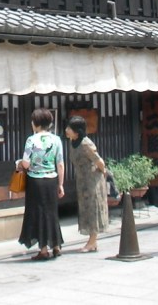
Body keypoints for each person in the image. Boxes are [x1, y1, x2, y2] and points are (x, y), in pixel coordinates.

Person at [17, 108, 65, 260]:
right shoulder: (56, 140)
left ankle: (43, 250)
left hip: (35, 181)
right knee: (51, 212)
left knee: (38, 213)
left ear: (35, 123)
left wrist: (19, 163)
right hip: (51, 180)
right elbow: (61, 164)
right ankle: (56, 246)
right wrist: (61, 184)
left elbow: (25, 163)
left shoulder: (32, 140)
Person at [64, 115, 108, 253]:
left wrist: (103, 172)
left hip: (92, 180)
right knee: (85, 208)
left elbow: (99, 160)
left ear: (77, 131)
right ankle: (91, 240)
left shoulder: (85, 143)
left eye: (69, 128)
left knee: (93, 208)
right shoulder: (72, 142)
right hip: (82, 180)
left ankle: (92, 241)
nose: (66, 130)